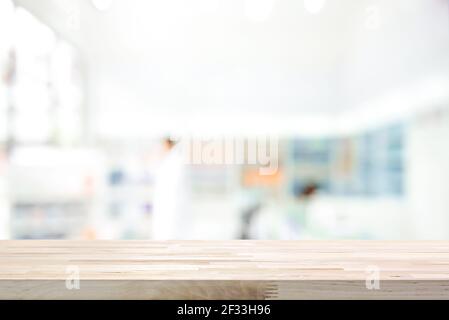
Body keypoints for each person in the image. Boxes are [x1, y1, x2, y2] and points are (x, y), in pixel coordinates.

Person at [152, 137, 190, 239]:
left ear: (167, 143)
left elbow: (173, 194)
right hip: (170, 217)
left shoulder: (174, 163)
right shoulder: (170, 161)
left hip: (172, 218)